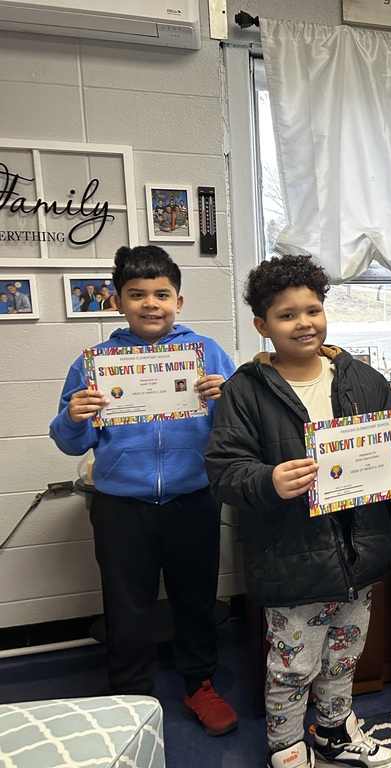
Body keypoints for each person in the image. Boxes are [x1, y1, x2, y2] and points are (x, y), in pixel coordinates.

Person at [204, 254, 391, 768]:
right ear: (262, 325)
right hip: (291, 561)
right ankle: (286, 746)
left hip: (359, 556)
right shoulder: (244, 391)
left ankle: (333, 731)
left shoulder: (366, 380)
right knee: (290, 667)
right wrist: (269, 479)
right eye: (286, 315)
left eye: (313, 310)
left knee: (343, 659)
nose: (303, 322)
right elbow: (223, 471)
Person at [48, 245, 238, 737]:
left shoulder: (208, 354)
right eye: (137, 295)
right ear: (117, 302)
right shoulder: (95, 361)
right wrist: (74, 417)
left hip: (192, 498)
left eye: (161, 294)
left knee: (195, 599)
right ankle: (131, 699)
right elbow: (72, 443)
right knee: (126, 605)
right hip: (120, 506)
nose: (150, 303)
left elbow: (236, 431)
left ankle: (200, 685)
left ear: (179, 300)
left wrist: (222, 402)